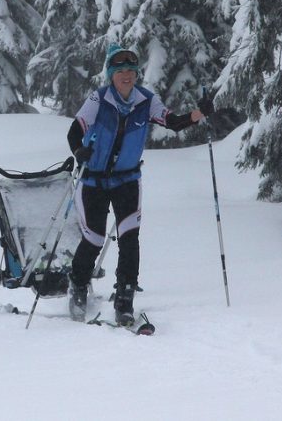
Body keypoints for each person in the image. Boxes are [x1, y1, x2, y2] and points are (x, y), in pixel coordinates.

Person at [66, 43, 214, 324]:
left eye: (131, 71)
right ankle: (78, 284)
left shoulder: (146, 100)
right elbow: (75, 131)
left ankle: (125, 299)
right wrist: (79, 151)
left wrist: (199, 114)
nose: (126, 76)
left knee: (129, 238)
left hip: (127, 180)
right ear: (111, 74)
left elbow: (172, 121)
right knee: (94, 238)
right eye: (120, 70)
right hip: (94, 181)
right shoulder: (98, 100)